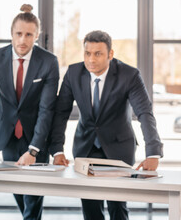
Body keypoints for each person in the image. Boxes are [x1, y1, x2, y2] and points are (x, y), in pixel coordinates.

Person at [49, 30, 163, 220]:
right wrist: (57, 150)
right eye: (87, 53)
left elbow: (144, 112)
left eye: (98, 54)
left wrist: (153, 152)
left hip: (119, 147)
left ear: (110, 54)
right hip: (86, 148)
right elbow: (61, 113)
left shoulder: (129, 75)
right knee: (90, 208)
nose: (91, 59)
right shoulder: (73, 73)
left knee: (117, 206)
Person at [0, 4, 59, 220]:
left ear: (36, 35)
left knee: (33, 198)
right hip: (8, 137)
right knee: (19, 192)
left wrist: (33, 151)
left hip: (37, 138)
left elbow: (46, 109)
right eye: (18, 33)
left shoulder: (49, 62)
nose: (22, 40)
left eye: (29, 34)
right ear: (11, 33)